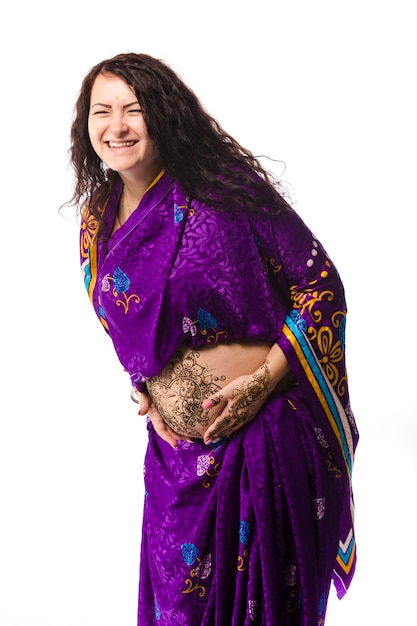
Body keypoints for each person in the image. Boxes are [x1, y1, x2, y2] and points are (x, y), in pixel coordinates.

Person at [70, 52, 359, 625]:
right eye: (101, 112)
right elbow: (120, 317)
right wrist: (146, 384)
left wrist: (262, 381)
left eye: (134, 109)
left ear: (164, 114)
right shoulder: (96, 218)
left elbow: (319, 283)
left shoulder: (222, 188)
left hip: (264, 442)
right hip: (176, 462)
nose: (117, 126)